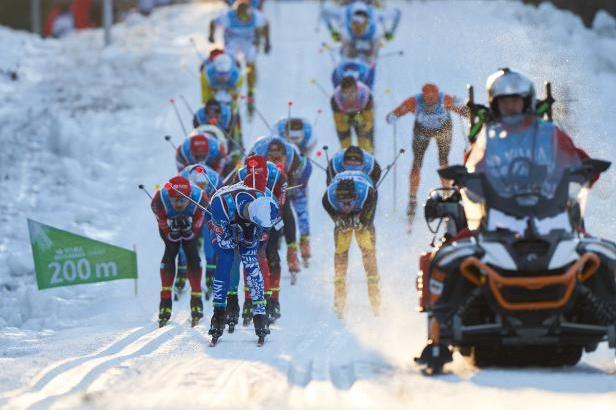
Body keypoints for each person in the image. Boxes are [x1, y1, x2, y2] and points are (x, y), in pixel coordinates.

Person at [207, 176, 281, 344]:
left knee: (251, 263)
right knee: (226, 259)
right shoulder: (221, 205)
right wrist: (234, 235)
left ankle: (260, 314)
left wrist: (251, 233)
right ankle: (219, 312)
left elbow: (261, 234)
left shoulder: (267, 202)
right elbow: (224, 242)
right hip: (221, 220)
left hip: (250, 223)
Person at [386, 83, 468, 225]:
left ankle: (447, 195)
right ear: (423, 96)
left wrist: (467, 111)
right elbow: (399, 111)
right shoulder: (415, 101)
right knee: (416, 164)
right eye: (427, 98)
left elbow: (462, 110)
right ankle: (412, 199)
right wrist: (393, 116)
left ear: (437, 94)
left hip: (443, 129)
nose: (430, 101)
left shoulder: (444, 99)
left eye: (433, 98)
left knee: (443, 162)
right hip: (422, 131)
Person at [151, 176, 208, 327]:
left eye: (183, 200)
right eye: (175, 200)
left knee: (192, 254)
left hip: (192, 219)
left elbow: (196, 229)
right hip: (169, 222)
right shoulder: (158, 201)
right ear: (168, 197)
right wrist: (171, 233)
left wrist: (190, 232)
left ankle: (196, 300)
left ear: (190, 197)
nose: (179, 204)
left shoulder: (201, 199)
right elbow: (165, 229)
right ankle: (165, 301)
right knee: (171, 250)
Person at [237, 155, 288, 323]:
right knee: (250, 255)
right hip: (248, 215)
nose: (256, 180)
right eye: (251, 176)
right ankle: (249, 299)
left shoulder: (278, 176)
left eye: (260, 176)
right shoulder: (239, 175)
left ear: (267, 173)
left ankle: (273, 299)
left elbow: (281, 206)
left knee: (270, 253)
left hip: (270, 212)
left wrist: (270, 222)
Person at [322, 170, 380, 319]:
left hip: (364, 203)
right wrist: (338, 220)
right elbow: (333, 214)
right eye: (343, 203)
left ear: (355, 198)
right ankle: (339, 299)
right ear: (337, 199)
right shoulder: (328, 198)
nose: (347, 206)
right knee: (341, 251)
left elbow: (370, 215)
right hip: (351, 201)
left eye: (350, 203)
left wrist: (363, 221)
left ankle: (375, 296)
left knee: (368, 251)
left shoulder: (368, 194)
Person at [248, 136, 305, 280]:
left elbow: (300, 176)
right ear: (266, 156)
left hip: (283, 181)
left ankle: (292, 251)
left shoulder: (293, 158)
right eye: (272, 158)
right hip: (261, 183)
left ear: (285, 156)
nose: (276, 160)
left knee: (285, 208)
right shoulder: (256, 155)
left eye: (279, 158)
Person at [209, 0, 271, 115]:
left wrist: (267, 42)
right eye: (241, 17)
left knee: (251, 59)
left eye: (246, 17)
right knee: (231, 60)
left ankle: (251, 88)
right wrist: (211, 35)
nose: (244, 20)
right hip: (231, 40)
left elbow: (266, 24)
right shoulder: (228, 16)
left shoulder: (255, 16)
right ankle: (230, 82)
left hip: (248, 41)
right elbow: (213, 22)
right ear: (236, 13)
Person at [174, 164, 222, 301]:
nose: (202, 187)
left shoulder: (215, 181)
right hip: (189, 208)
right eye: (199, 185)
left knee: (210, 243)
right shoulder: (183, 180)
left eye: (203, 184)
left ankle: (211, 274)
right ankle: (182, 272)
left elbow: (223, 200)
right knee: (185, 239)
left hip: (209, 209)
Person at [274, 117, 316, 266]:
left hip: (297, 184)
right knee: (279, 212)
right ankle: (278, 237)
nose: (295, 141)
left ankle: (305, 241)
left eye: (298, 138)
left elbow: (310, 148)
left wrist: (296, 183)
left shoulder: (310, 135)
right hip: (279, 185)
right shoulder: (277, 133)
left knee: (302, 212)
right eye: (292, 138)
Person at [331, 76, 374, 153]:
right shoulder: (335, 99)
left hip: (360, 113)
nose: (349, 96)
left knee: (365, 142)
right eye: (346, 93)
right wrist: (345, 124)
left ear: (357, 90)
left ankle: (369, 157)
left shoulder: (366, 95)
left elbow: (369, 120)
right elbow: (339, 123)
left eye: (352, 92)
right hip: (344, 115)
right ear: (342, 92)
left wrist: (364, 128)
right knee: (345, 143)